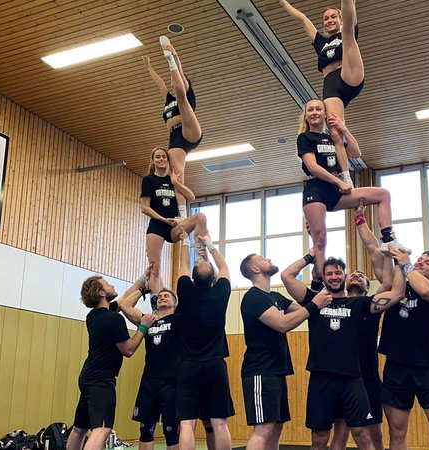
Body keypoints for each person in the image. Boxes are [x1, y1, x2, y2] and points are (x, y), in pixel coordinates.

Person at [281, 254, 403, 450]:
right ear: (324, 277)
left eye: (338, 272)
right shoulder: (315, 300)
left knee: (362, 434)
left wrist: (400, 262)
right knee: (319, 436)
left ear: (345, 276)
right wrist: (311, 256)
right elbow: (287, 276)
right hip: (321, 378)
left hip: (352, 379)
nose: (334, 277)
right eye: (329, 274)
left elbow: (396, 293)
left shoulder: (360, 304)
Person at [296, 98, 408, 279]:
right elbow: (313, 167)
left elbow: (356, 153)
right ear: (306, 116)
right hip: (316, 190)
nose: (315, 112)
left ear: (325, 114)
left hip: (337, 190)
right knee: (320, 239)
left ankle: (388, 239)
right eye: (310, 110)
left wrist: (344, 130)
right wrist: (339, 182)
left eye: (318, 109)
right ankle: (320, 282)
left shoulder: (333, 137)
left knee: (383, 194)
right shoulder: (305, 138)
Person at [238, 253, 333, 450]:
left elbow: (305, 311)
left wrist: (316, 283)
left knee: (276, 426)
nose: (269, 259)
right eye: (263, 258)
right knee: (263, 428)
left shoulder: (275, 297)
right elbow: (282, 324)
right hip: (260, 371)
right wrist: (309, 257)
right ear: (255, 269)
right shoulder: (253, 297)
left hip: (276, 371)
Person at [330, 204, 397, 450]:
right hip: (339, 375)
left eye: (361, 276)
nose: (356, 276)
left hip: (367, 376)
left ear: (369, 288)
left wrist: (360, 221)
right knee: (340, 434)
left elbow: (374, 252)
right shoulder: (334, 302)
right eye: (352, 274)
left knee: (374, 435)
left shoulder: (371, 304)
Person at [378, 249, 429, 450]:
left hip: (427, 369)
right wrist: (389, 242)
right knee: (396, 432)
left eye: (428, 263)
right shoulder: (398, 288)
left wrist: (407, 264)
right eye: (419, 260)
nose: (421, 263)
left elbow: (426, 292)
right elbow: (375, 254)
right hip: (396, 369)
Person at [279, 0, 364, 189]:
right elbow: (302, 18)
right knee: (335, 132)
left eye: (333, 16)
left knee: (349, 35)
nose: (329, 20)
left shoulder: (344, 30)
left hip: (350, 72)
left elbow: (348, 22)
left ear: (340, 18)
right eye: (326, 18)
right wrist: (283, 2)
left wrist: (345, 16)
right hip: (332, 85)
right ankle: (346, 176)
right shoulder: (320, 42)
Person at [67, 276, 156, 450]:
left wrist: (143, 281)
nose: (112, 284)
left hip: (87, 378)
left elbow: (123, 301)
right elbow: (128, 350)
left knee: (79, 429)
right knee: (102, 429)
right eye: (107, 284)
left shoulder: (93, 316)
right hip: (101, 381)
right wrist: (143, 327)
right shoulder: (113, 320)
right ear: (101, 293)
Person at [175, 231, 234, 450]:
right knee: (219, 422)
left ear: (191, 279)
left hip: (188, 365)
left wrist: (184, 241)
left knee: (187, 424)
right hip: (214, 365)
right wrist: (208, 243)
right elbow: (225, 267)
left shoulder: (185, 291)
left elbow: (182, 265)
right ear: (214, 280)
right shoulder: (221, 292)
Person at [118, 266, 183, 450]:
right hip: (149, 381)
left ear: (175, 303)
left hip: (172, 381)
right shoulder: (148, 320)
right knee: (146, 429)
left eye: (167, 296)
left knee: (171, 431)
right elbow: (124, 306)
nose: (162, 297)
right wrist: (143, 287)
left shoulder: (179, 320)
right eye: (160, 296)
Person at [142, 35, 202, 219]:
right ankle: (182, 215)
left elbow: (181, 81)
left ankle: (171, 62)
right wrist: (148, 65)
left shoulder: (186, 91)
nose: (171, 83)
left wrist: (174, 55)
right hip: (176, 138)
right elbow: (159, 82)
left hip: (190, 130)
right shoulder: (168, 99)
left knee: (182, 97)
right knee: (177, 177)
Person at [141, 146, 209, 294]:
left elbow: (191, 197)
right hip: (157, 226)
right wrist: (164, 220)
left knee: (200, 217)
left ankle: (200, 257)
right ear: (153, 160)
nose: (161, 159)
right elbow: (145, 207)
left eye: (163, 157)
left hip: (174, 225)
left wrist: (176, 182)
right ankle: (156, 303)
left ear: (167, 160)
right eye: (157, 157)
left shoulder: (172, 178)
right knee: (155, 268)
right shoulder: (148, 179)